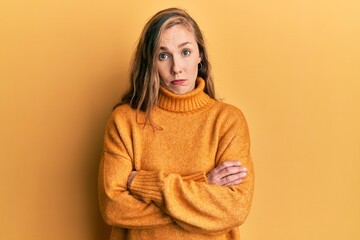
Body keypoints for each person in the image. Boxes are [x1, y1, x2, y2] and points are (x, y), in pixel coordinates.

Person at [98, 7, 254, 240]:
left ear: (200, 55)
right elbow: (113, 207)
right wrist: (204, 183)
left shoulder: (228, 121)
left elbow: (235, 208)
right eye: (163, 55)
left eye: (185, 52)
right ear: (150, 63)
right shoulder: (124, 121)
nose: (176, 67)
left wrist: (143, 184)